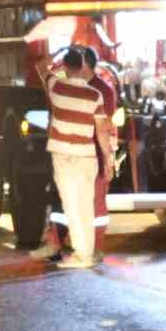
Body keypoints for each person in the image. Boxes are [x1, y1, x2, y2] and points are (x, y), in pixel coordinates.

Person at [35, 48, 107, 269]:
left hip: (65, 156)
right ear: (83, 66)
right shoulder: (95, 95)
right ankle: (86, 252)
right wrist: (109, 159)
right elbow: (102, 131)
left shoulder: (57, 86)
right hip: (87, 156)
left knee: (71, 205)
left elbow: (40, 67)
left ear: (66, 66)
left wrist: (57, 54)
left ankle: (81, 255)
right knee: (85, 204)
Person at [80, 46, 119, 242]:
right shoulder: (73, 86)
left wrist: (109, 158)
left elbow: (108, 125)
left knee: (97, 202)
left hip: (96, 153)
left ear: (85, 64)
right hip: (77, 154)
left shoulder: (103, 89)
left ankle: (94, 242)